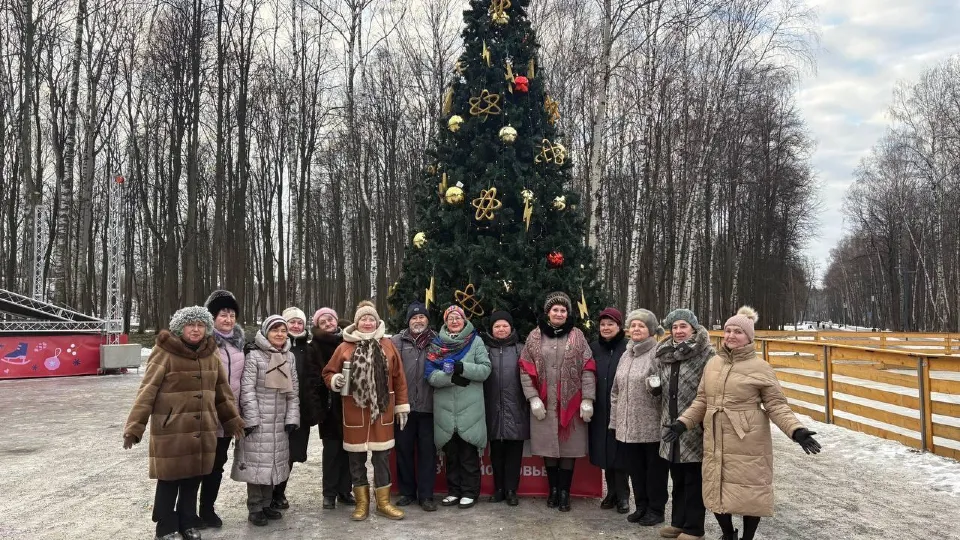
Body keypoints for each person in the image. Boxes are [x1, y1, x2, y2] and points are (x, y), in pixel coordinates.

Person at [665, 307, 822, 540]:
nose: (730, 336)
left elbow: (776, 404)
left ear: (749, 337)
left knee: (750, 493)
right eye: (727, 331)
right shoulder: (713, 364)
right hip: (716, 435)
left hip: (747, 437)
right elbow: (702, 400)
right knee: (716, 487)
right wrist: (682, 423)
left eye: (737, 332)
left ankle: (748, 537)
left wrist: (795, 430)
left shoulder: (761, 368)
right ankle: (728, 533)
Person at [123, 306, 244, 540]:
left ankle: (188, 522)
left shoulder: (211, 353)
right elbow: (147, 391)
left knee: (193, 479)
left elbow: (222, 391)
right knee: (169, 481)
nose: (196, 329)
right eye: (191, 325)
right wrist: (134, 427)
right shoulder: (164, 352)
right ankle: (166, 527)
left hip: (202, 429)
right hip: (172, 430)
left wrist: (232, 420)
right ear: (181, 327)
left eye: (200, 325)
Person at [323, 301, 410, 521]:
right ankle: (362, 503)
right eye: (364, 319)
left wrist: (401, 406)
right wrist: (335, 379)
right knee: (356, 460)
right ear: (357, 322)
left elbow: (399, 378)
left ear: (377, 321)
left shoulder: (388, 345)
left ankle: (383, 502)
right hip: (355, 410)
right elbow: (328, 372)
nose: (368, 322)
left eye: (371, 318)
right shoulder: (344, 346)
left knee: (381, 459)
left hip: (382, 411)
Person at [519, 291, 597, 512]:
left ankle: (565, 493)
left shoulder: (578, 336)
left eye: (563, 310)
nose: (559, 313)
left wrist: (588, 399)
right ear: (548, 312)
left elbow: (588, 368)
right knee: (549, 451)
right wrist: (533, 398)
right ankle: (553, 490)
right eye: (555, 310)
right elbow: (525, 369)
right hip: (544, 405)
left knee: (568, 451)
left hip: (571, 407)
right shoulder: (534, 337)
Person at [231, 315, 300, 526]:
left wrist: (292, 417)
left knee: (273, 463)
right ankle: (255, 507)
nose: (279, 334)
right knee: (256, 464)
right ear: (266, 332)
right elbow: (247, 389)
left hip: (279, 421)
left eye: (283, 330)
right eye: (275, 330)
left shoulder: (289, 357)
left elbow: (293, 391)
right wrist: (251, 419)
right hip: (258, 420)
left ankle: (268, 503)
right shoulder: (255, 356)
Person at [651, 309, 712, 540]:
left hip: (694, 425)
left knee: (693, 478)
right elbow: (657, 381)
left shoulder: (706, 353)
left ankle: (694, 528)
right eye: (675, 327)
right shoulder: (665, 353)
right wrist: (654, 388)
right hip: (669, 423)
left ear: (693, 329)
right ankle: (678, 522)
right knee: (676, 477)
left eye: (683, 326)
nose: (678, 331)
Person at [426, 305, 492, 509]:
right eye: (450, 318)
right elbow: (430, 375)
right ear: (445, 321)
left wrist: (463, 368)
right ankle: (454, 491)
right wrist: (451, 378)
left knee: (468, 454)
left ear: (464, 320)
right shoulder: (436, 344)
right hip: (445, 409)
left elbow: (485, 370)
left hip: (470, 408)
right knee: (451, 454)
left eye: (458, 317)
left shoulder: (475, 341)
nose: (454, 321)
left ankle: (470, 492)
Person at [610, 309, 669, 527]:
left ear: (651, 330)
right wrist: (615, 421)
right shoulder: (627, 354)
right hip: (627, 427)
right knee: (635, 471)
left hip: (651, 426)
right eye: (633, 325)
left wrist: (656, 388)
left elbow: (666, 388)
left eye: (641, 326)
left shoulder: (658, 353)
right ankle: (642, 506)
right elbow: (615, 390)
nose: (636, 329)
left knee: (654, 472)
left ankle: (656, 509)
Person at [197, 290, 245, 529]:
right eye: (222, 315)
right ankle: (188, 512)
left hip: (228, 415)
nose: (228, 319)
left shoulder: (239, 345)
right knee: (197, 465)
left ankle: (207, 509)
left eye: (232, 315)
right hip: (204, 415)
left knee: (217, 464)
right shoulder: (203, 343)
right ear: (212, 317)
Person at [390, 302, 439, 511]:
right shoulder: (395, 342)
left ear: (427, 320)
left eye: (421, 318)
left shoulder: (438, 342)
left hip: (430, 407)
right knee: (404, 450)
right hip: (404, 408)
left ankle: (426, 495)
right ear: (408, 321)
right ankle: (407, 492)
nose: (418, 321)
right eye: (413, 318)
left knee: (428, 453)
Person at [305, 307, 355, 509]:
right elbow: (312, 378)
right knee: (332, 452)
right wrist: (318, 408)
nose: (328, 324)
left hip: (351, 404)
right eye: (323, 322)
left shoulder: (350, 341)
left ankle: (345, 490)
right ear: (318, 325)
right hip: (329, 405)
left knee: (350, 451)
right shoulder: (314, 347)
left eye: (330, 320)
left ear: (336, 321)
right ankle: (329, 493)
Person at [482, 310, 529, 507]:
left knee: (514, 453)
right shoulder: (484, 349)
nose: (501, 329)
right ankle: (499, 489)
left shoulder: (521, 349)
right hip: (492, 408)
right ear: (492, 330)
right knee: (497, 452)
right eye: (497, 326)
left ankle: (511, 490)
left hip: (515, 408)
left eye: (505, 326)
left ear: (511, 328)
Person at [270, 306, 314, 510]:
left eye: (300, 322)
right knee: (273, 453)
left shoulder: (309, 348)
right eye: (292, 322)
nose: (296, 325)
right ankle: (266, 495)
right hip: (275, 409)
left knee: (291, 455)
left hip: (300, 410)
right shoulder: (275, 347)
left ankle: (279, 492)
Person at [588, 307, 629, 514]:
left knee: (619, 452)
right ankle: (611, 492)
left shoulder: (627, 347)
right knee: (604, 450)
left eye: (610, 324)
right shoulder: (594, 347)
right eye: (603, 324)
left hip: (622, 407)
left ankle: (623, 495)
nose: (606, 328)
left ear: (619, 326)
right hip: (600, 407)